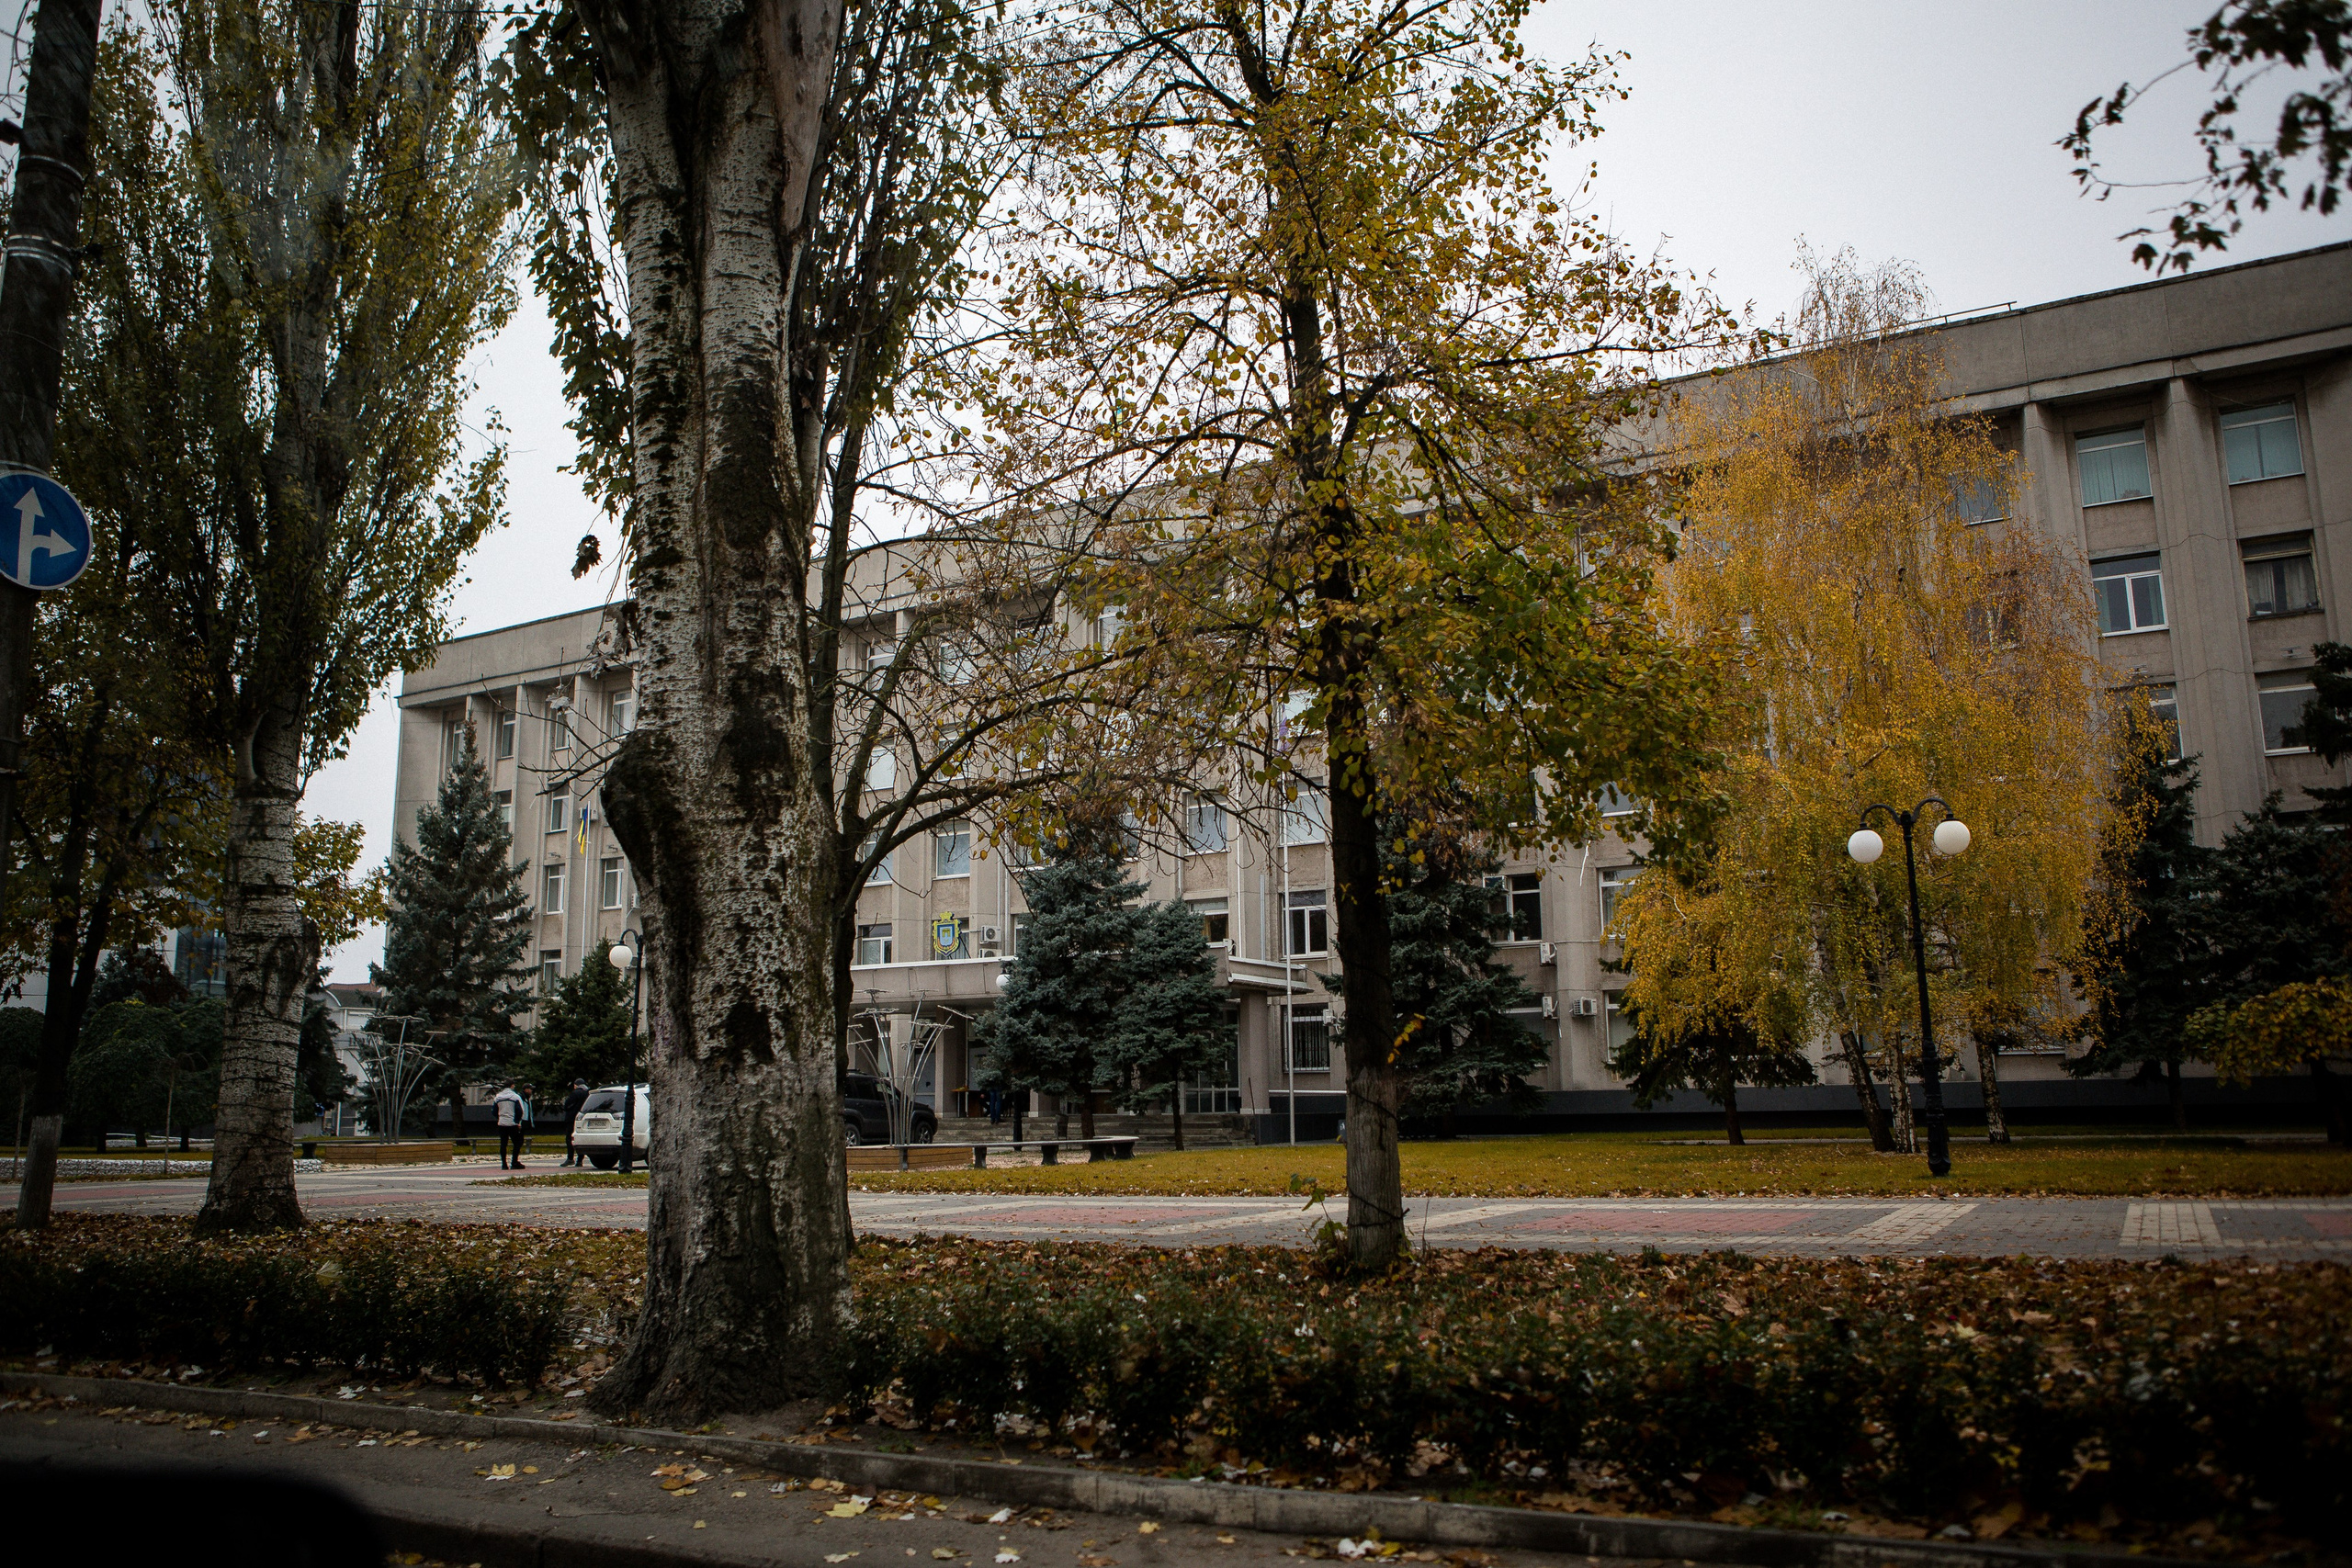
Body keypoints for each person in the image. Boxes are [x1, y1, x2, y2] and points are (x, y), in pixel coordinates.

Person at [492, 1082, 526, 1169]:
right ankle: (514, 1162)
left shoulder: (498, 1097)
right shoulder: (515, 1097)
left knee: (503, 1144)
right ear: (512, 1086)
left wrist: (500, 1117)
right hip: (512, 1123)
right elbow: (520, 1111)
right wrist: (518, 1122)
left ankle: (504, 1164)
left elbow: (494, 1111)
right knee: (517, 1143)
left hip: (502, 1123)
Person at [560, 1078, 591, 1167]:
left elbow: (567, 1105)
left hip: (572, 1118)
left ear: (576, 1085)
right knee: (579, 1138)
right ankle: (580, 1160)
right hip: (582, 1118)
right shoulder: (588, 1093)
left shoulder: (576, 1093)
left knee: (569, 1138)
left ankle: (570, 1158)